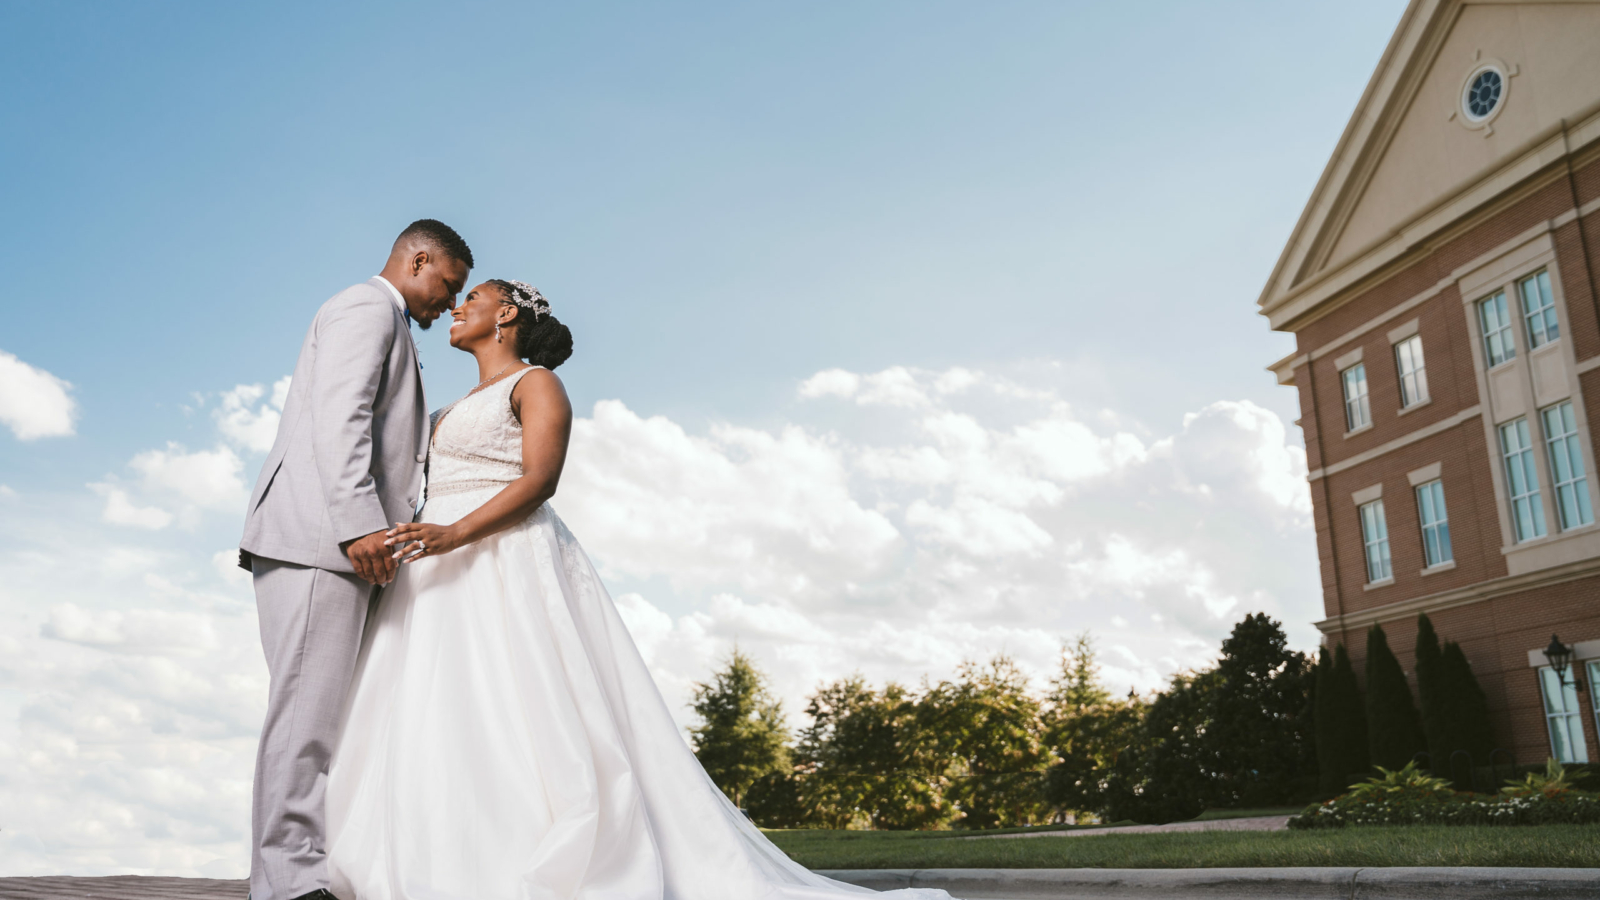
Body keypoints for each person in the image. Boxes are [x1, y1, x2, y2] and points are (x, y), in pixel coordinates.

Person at [324, 280, 947, 900]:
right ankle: (445, 854)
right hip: (435, 571)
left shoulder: (535, 383)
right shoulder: (455, 404)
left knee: (525, 703)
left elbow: (541, 480)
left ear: (505, 314)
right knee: (443, 708)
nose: (458, 307)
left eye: (473, 297)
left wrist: (454, 532)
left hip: (498, 556)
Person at [238, 220, 473, 900]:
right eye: (445, 285)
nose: (447, 303)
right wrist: (358, 527)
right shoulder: (366, 308)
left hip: (339, 546)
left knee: (326, 716)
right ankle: (287, 882)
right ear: (418, 257)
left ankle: (304, 867)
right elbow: (340, 418)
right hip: (320, 541)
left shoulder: (389, 322)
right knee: (305, 716)